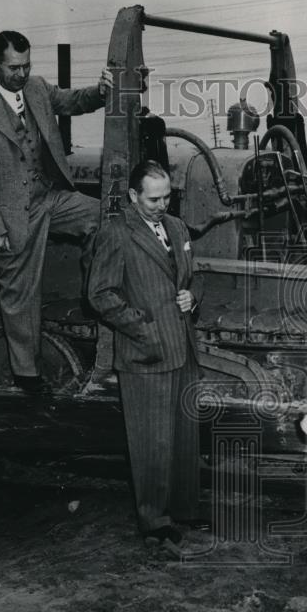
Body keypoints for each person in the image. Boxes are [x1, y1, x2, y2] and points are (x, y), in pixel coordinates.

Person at [0, 30, 113, 394]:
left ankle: (95, 298)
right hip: (13, 216)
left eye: (27, 65)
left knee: (104, 220)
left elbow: (75, 101)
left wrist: (103, 90)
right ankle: (27, 380)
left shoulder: (39, 89)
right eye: (14, 68)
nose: (21, 74)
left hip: (51, 199)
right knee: (19, 297)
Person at [87, 160, 203, 553]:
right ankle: (155, 522)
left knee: (184, 437)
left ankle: (184, 509)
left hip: (183, 347)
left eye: (167, 196)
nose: (161, 205)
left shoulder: (178, 227)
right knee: (151, 443)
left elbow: (192, 275)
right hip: (146, 353)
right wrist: (144, 327)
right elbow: (100, 294)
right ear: (134, 196)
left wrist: (192, 296)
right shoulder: (116, 233)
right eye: (153, 198)